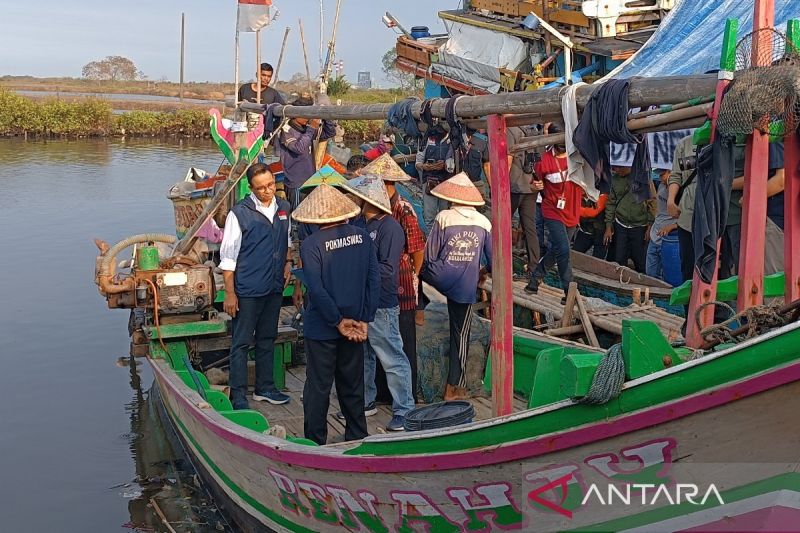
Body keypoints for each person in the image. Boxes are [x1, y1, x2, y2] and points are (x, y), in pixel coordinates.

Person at [293, 184, 380, 445]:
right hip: (356, 323)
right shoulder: (363, 237)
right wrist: (365, 318)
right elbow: (373, 280)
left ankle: (316, 440)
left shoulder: (311, 245)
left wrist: (337, 321)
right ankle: (357, 434)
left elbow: (316, 290)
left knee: (319, 386)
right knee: (353, 383)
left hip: (323, 325)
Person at [342, 175, 415, 431]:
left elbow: (388, 269)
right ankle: (366, 401)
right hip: (362, 300)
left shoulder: (390, 228)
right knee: (365, 355)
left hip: (382, 301)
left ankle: (405, 410)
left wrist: (358, 271)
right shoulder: (361, 223)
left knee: (391, 355)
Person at [219, 164, 293, 410]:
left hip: (274, 285)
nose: (267, 191)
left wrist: (288, 263)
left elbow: (287, 240)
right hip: (248, 288)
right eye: (260, 188)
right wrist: (230, 293)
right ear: (251, 188)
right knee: (241, 342)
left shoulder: (284, 208)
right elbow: (228, 258)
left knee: (267, 338)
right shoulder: (239, 213)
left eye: (270, 185)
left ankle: (265, 387)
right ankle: (238, 394)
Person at [420, 172, 492, 401]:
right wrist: (481, 273)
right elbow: (493, 260)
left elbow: (430, 256)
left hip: (441, 276)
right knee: (461, 333)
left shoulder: (443, 217)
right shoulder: (484, 223)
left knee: (418, 269)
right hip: (465, 284)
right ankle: (455, 386)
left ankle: (419, 308)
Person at [359, 154, 426, 400]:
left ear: (387, 184)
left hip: (402, 284)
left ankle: (406, 399)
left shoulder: (403, 209)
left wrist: (414, 276)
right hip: (381, 287)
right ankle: (383, 396)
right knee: (379, 345)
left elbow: (418, 250)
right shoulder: (371, 212)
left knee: (402, 345)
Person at [526, 124, 582, 300]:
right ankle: (570, 291)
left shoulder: (577, 155)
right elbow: (533, 184)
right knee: (564, 249)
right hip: (552, 209)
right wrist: (536, 186)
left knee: (557, 249)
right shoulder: (543, 162)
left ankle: (535, 279)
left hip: (572, 209)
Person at [482, 125, 542, 277]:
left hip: (512, 187)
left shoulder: (509, 130)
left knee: (500, 225)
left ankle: (498, 265)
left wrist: (497, 188)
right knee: (530, 228)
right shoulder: (534, 128)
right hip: (530, 187)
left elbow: (506, 161)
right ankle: (534, 268)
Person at [275, 95, 337, 209]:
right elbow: (299, 148)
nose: (308, 117)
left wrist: (325, 115)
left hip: (310, 180)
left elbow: (329, 133)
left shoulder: (306, 130)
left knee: (309, 212)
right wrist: (311, 128)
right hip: (296, 183)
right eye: (306, 114)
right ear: (296, 114)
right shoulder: (286, 130)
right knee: (297, 214)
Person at [603, 166, 654, 273]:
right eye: (615, 168)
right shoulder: (615, 179)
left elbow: (652, 203)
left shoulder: (644, 178)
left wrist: (650, 226)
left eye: (620, 167)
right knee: (619, 260)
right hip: (620, 225)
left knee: (641, 263)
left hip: (639, 227)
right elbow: (611, 203)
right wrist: (608, 226)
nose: (616, 170)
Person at [667, 135, 698, 283]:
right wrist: (671, 200)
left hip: (720, 217)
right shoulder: (686, 144)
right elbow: (676, 176)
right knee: (688, 268)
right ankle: (690, 306)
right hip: (688, 217)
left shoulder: (730, 140)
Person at [416, 124, 455, 231]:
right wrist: (426, 166)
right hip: (429, 181)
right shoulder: (426, 140)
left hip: (445, 181)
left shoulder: (452, 140)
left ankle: (442, 241)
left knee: (445, 214)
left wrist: (445, 165)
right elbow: (418, 163)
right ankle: (431, 243)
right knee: (430, 216)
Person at [646, 169, 680, 282]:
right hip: (655, 236)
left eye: (663, 175)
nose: (661, 178)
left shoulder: (680, 192)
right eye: (659, 176)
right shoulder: (660, 185)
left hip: (669, 239)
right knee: (650, 273)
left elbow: (688, 217)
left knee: (666, 277)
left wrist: (672, 226)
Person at [573, 192, 609, 259]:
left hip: (600, 233)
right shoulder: (576, 193)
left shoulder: (603, 192)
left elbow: (593, 212)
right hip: (584, 231)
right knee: (573, 256)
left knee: (598, 261)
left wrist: (575, 209)